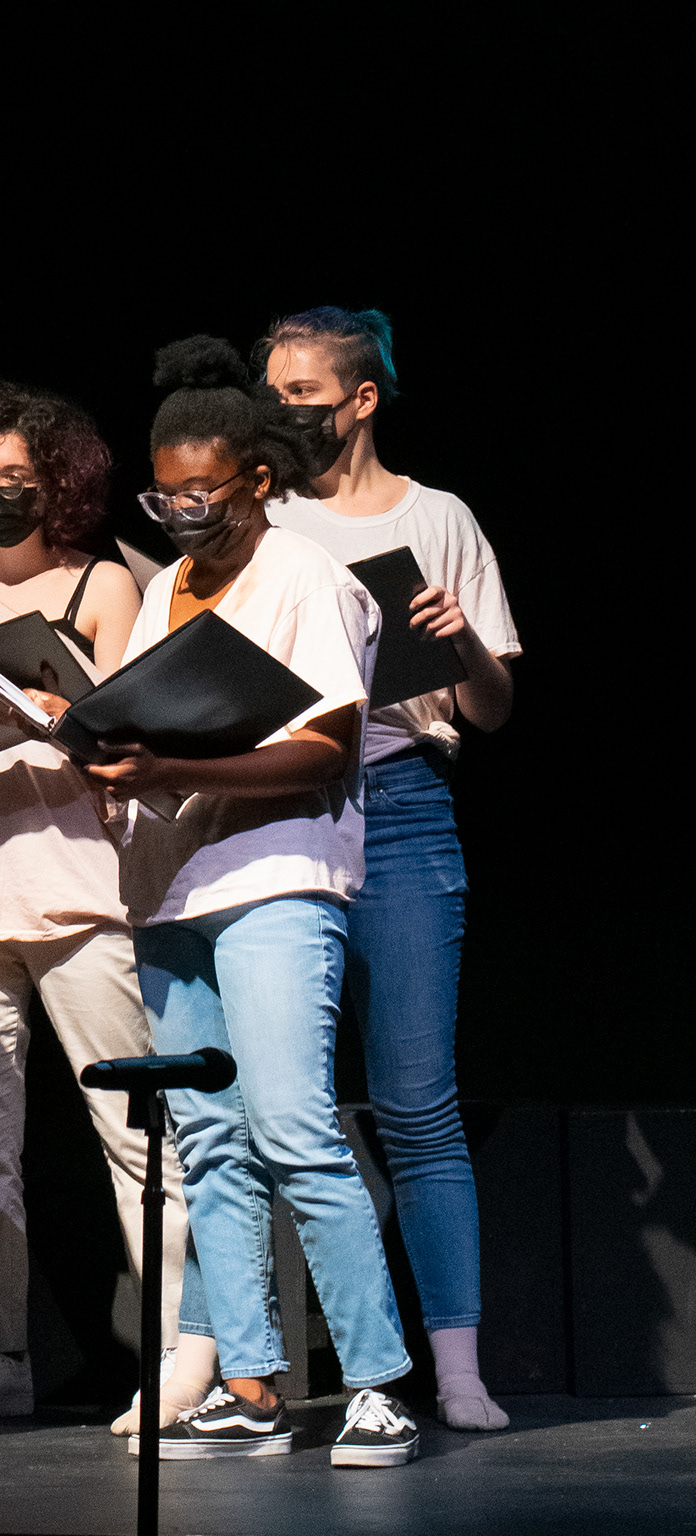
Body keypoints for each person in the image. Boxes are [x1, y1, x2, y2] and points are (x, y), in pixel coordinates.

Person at [71, 337, 419, 1467]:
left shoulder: (306, 578)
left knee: (293, 1128)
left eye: (202, 495)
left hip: (276, 880)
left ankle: (376, 1385)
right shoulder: (164, 590)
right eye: (163, 496)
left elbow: (327, 748)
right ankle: (252, 1385)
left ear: (259, 479)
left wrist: (172, 767)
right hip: (173, 889)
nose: (181, 514)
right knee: (210, 1143)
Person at [0, 382, 188, 1426]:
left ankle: (182, 1358)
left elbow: (135, 735)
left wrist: (64, 716)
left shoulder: (102, 583)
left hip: (79, 898)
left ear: (56, 483)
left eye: (17, 476)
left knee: (136, 1138)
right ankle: (3, 1357)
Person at [259, 307, 519, 1431]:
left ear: (361, 399)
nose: (283, 412)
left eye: (303, 393)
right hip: (281, 809)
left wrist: (459, 638)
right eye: (273, 393)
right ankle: (268, 1365)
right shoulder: (263, 517)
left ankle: (455, 1369)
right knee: (279, 1106)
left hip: (404, 805)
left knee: (418, 1104)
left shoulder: (438, 517)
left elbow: (492, 709)